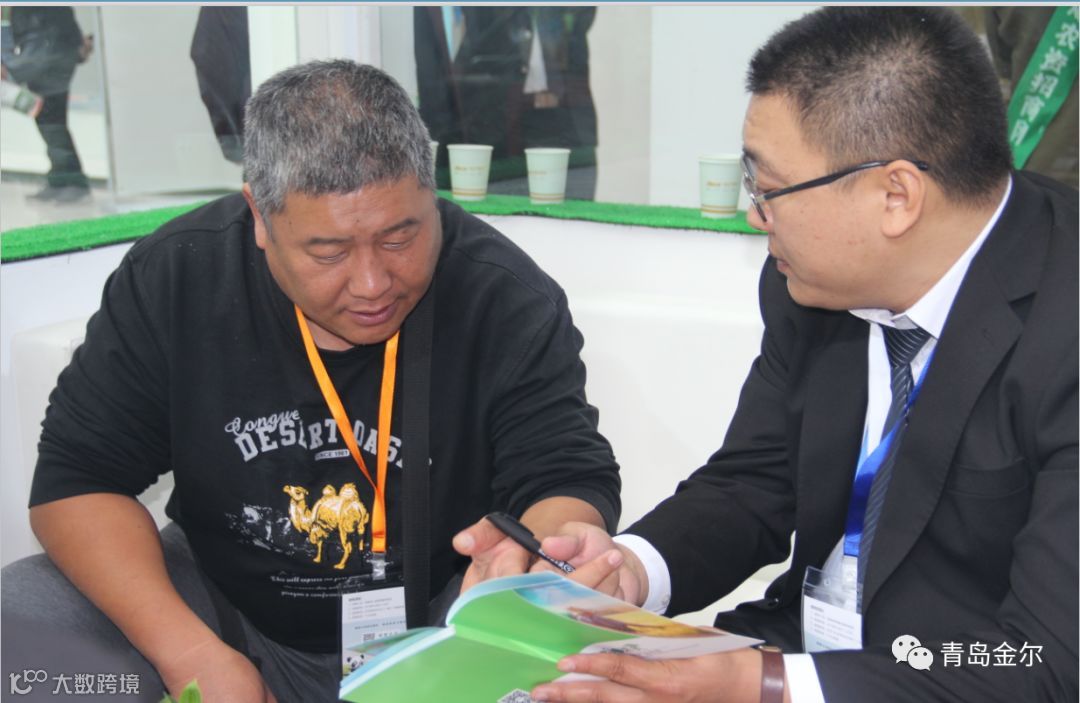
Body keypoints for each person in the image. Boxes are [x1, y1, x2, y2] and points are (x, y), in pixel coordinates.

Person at [1, 60, 619, 702]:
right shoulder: (180, 276)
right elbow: (78, 479)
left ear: (430, 192)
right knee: (21, 623)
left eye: (400, 237)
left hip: (442, 615)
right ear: (259, 216)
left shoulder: (503, 294)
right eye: (329, 252)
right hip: (222, 612)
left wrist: (541, 566)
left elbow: (562, 477)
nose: (372, 284)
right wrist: (189, 654)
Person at [517, 8, 1078, 703]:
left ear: (896, 196)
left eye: (770, 188)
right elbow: (755, 481)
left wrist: (767, 685)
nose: (756, 215)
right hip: (802, 644)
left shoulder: (1064, 320)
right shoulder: (808, 285)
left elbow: (1054, 664)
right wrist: (629, 568)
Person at [4, 6, 92, 203]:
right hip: (47, 54)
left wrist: (9, 66)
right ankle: (61, 180)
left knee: (52, 122)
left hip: (48, 56)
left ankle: (73, 182)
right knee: (49, 122)